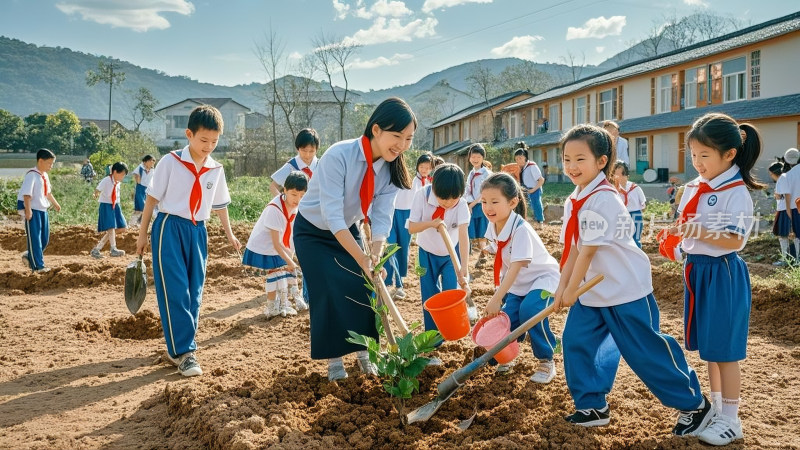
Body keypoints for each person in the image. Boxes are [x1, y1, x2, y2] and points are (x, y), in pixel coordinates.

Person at [554, 124, 712, 436]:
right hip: (593, 291)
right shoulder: (574, 197)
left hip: (624, 290)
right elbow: (571, 249)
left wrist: (571, 290)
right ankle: (592, 406)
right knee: (576, 341)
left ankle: (695, 405)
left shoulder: (603, 199)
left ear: (601, 162)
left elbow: (587, 252)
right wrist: (561, 289)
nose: (571, 167)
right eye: (566, 159)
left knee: (646, 352)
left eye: (580, 159)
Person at [293, 97, 415, 382]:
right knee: (328, 291)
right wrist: (361, 258)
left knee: (361, 289)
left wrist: (374, 256)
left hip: (349, 230)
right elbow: (332, 216)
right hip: (313, 232)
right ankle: (335, 361)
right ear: (376, 130)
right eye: (396, 136)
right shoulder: (339, 156)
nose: (402, 145)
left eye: (408, 139)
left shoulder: (390, 169)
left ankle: (364, 352)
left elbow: (382, 218)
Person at [667, 113, 763, 445]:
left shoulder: (736, 192)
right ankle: (717, 410)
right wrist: (679, 244)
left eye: (704, 155)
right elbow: (687, 226)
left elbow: (735, 241)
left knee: (725, 351)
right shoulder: (697, 186)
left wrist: (697, 231)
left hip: (722, 273)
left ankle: (731, 420)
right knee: (709, 349)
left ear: (730, 154)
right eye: (693, 155)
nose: (697, 162)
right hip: (698, 270)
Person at [135, 105, 241, 377]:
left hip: (198, 231)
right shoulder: (170, 161)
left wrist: (229, 233)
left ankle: (176, 349)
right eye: (203, 140)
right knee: (176, 290)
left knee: (195, 291)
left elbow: (220, 205)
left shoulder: (216, 169)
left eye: (214, 142)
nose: (208, 147)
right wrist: (142, 234)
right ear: (189, 134)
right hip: (169, 227)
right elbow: (151, 199)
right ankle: (185, 352)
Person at [481, 172, 560, 382]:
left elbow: (515, 266)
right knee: (507, 319)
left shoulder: (521, 230)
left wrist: (497, 297)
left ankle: (546, 360)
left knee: (531, 311)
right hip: (520, 284)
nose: (488, 207)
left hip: (543, 279)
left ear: (513, 202)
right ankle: (508, 356)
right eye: (484, 201)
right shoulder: (494, 222)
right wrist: (489, 248)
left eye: (495, 202)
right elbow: (500, 248)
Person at [407, 163, 472, 352]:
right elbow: (411, 227)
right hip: (426, 253)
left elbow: (463, 236)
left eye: (453, 198)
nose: (448, 203)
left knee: (450, 294)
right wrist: (431, 223)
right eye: (443, 198)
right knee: (430, 296)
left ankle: (450, 332)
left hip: (449, 255)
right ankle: (433, 341)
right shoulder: (422, 195)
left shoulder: (460, 203)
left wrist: (464, 269)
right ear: (434, 187)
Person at [243, 171, 309, 318]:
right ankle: (273, 306)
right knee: (276, 273)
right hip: (265, 247)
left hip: (280, 245)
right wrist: (290, 261)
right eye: (293, 194)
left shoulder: (295, 207)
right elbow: (276, 243)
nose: (297, 200)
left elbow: (290, 234)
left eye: (302, 196)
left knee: (287, 272)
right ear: (284, 190)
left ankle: (291, 300)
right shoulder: (275, 209)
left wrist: (290, 257)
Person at [385, 152, 434, 299]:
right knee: (391, 246)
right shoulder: (411, 180)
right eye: (422, 166)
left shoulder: (427, 184)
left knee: (403, 248)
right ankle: (393, 283)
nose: (424, 169)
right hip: (393, 213)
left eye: (427, 167)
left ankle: (399, 281)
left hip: (408, 216)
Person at [18, 148, 61, 273]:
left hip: (43, 210)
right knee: (35, 239)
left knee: (44, 239)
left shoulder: (44, 176)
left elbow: (48, 192)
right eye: (49, 163)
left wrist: (55, 203)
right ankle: (38, 266)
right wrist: (28, 210)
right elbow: (27, 195)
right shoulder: (32, 175)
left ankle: (29, 255)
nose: (51, 166)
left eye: (52, 164)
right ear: (40, 161)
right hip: (33, 210)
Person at [91, 162, 128, 259]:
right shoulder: (106, 180)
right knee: (111, 227)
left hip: (116, 205)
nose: (123, 177)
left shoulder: (118, 183)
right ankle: (113, 248)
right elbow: (97, 190)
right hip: (106, 205)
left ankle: (97, 249)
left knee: (122, 228)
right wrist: (95, 195)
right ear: (115, 172)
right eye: (122, 174)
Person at [269, 128, 320, 197]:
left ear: (316, 149)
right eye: (304, 151)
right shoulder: (291, 166)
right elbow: (273, 187)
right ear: (297, 149)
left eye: (311, 151)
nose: (307, 155)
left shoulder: (321, 165)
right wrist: (283, 203)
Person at [464, 143, 492, 269]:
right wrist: (468, 203)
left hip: (482, 205)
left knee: (482, 230)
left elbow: (484, 192)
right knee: (473, 232)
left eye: (478, 157)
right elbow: (468, 190)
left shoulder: (486, 173)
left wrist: (473, 204)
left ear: (482, 158)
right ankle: (479, 255)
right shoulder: (471, 173)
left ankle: (484, 254)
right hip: (472, 206)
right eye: (473, 157)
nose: (475, 159)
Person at [612, 160, 646, 248]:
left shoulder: (635, 188)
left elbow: (643, 204)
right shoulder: (612, 190)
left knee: (636, 239)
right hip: (620, 215)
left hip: (635, 215)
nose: (620, 178)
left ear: (627, 176)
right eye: (616, 175)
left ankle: (637, 258)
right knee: (621, 239)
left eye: (622, 175)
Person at [514, 143, 545, 224]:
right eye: (516, 159)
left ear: (525, 157)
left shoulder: (532, 166)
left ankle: (540, 222)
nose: (518, 161)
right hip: (526, 189)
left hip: (535, 189)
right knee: (528, 206)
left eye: (520, 158)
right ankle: (530, 221)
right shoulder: (522, 168)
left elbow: (541, 180)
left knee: (536, 205)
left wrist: (533, 190)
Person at [769, 160, 792, 266]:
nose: (771, 176)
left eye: (771, 174)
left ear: (774, 173)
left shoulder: (780, 180)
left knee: (783, 236)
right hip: (791, 209)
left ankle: (785, 260)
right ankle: (790, 259)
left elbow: (778, 196)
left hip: (783, 210)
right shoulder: (788, 178)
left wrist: (776, 195)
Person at [780, 148, 800, 256]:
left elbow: (787, 199)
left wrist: (790, 216)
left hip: (795, 208)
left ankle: (797, 260)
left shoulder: (787, 176)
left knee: (797, 236)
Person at [131, 155, 156, 226]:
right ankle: (144, 223)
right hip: (140, 188)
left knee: (140, 209)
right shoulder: (141, 167)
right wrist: (138, 181)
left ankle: (133, 223)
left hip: (148, 189)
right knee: (143, 207)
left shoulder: (152, 170)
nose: (152, 162)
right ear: (146, 161)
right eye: (151, 161)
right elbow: (136, 174)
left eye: (153, 161)